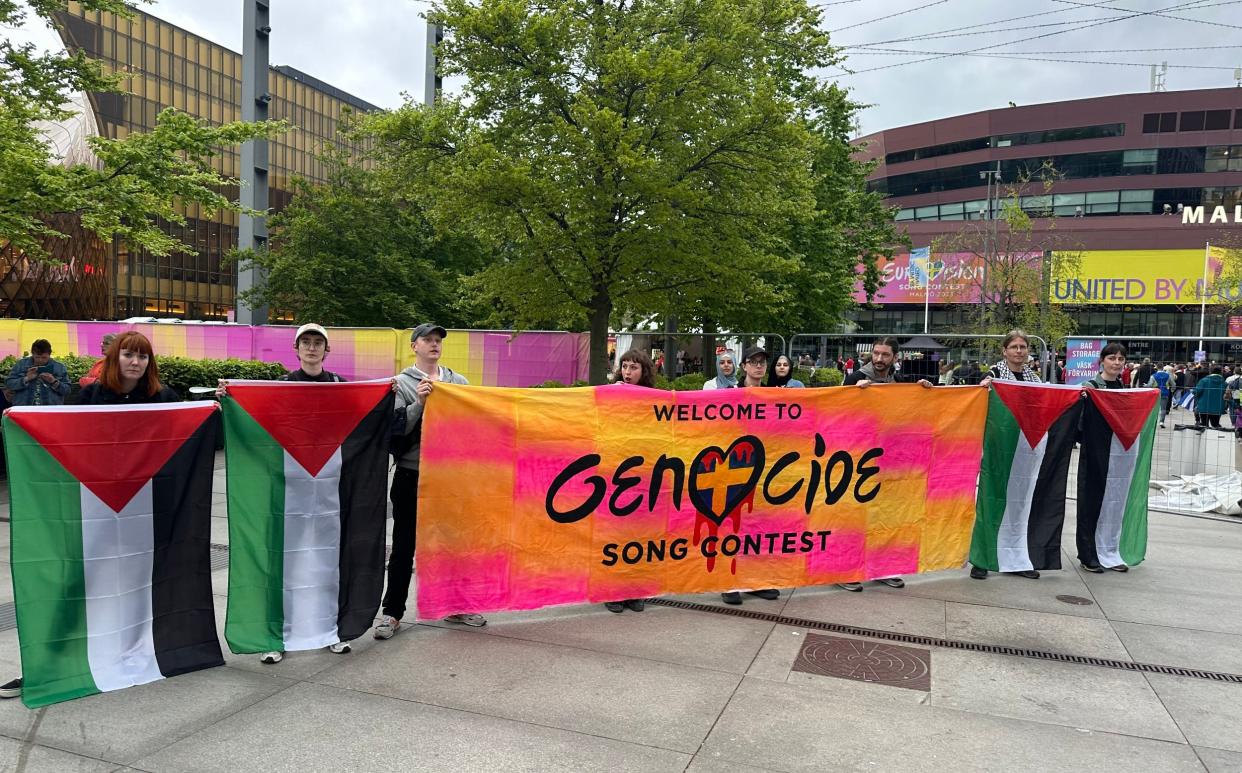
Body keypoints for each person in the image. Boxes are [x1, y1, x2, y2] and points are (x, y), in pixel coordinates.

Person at [376, 323, 486, 638]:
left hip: (450, 477)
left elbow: (473, 425)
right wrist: (420, 404)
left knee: (454, 544)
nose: (434, 344)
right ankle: (392, 613)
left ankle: (456, 605)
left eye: (437, 340)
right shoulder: (399, 384)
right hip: (412, 474)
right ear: (414, 346)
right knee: (403, 547)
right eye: (427, 339)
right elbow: (393, 432)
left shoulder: (458, 382)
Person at [255, 323, 351, 664]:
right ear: (296, 350)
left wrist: (387, 393)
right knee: (286, 563)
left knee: (327, 561)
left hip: (329, 488)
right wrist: (231, 397)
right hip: (290, 487)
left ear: (327, 350)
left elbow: (363, 419)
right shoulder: (282, 387)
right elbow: (259, 426)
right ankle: (277, 635)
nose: (312, 348)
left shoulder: (340, 386)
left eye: (318, 343)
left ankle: (330, 630)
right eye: (305, 343)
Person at [838, 337, 932, 592]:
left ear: (895, 358)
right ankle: (845, 569)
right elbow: (837, 411)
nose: (879, 359)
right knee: (854, 516)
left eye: (885, 355)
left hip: (889, 461)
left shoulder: (899, 383)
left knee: (886, 514)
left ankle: (884, 567)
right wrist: (853, 392)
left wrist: (922, 392)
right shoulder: (855, 377)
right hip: (858, 459)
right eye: (876, 354)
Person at [971, 330, 1042, 580]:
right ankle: (982, 559)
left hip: (1023, 450)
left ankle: (1016, 558)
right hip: (997, 447)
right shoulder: (994, 374)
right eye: (1014, 346)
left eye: (1023, 346)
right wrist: (985, 388)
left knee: (1019, 505)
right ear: (1005, 350)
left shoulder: (1034, 379)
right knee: (991, 500)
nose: (1019, 351)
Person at [718, 346, 782, 606]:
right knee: (733, 524)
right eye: (753, 362)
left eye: (762, 363)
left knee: (759, 525)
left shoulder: (774, 396)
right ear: (743, 366)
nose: (758, 367)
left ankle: (753, 580)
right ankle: (728, 581)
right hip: (735, 467)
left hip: (764, 467)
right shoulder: (730, 394)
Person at [605, 349, 658, 614]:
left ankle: (634, 589)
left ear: (644, 371)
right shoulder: (611, 394)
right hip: (616, 474)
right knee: (615, 534)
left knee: (639, 534)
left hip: (645, 473)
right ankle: (612, 590)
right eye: (624, 366)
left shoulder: (656, 400)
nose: (627, 372)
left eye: (633, 367)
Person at [78, 332, 180, 404]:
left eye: (142, 356)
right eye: (128, 355)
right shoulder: (90, 395)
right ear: (114, 358)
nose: (135, 362)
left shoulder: (165, 397)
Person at [5, 339, 70, 406]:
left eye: (44, 357)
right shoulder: (21, 364)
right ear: (32, 354)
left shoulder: (59, 367)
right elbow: (9, 383)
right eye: (37, 357)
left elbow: (67, 390)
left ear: (49, 354)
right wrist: (26, 378)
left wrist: (53, 381)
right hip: (25, 407)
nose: (40, 360)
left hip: (50, 409)